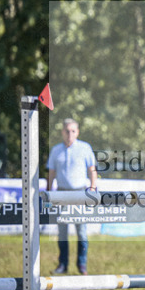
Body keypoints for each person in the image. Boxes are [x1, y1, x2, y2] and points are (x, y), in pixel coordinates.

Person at [46, 117, 97, 274]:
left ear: (77, 132)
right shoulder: (56, 150)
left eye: (73, 131)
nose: (70, 134)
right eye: (67, 131)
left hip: (80, 194)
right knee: (62, 232)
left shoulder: (85, 148)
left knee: (81, 231)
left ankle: (82, 265)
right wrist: (48, 193)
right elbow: (51, 173)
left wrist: (93, 187)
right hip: (61, 193)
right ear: (62, 132)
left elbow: (91, 169)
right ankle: (63, 265)